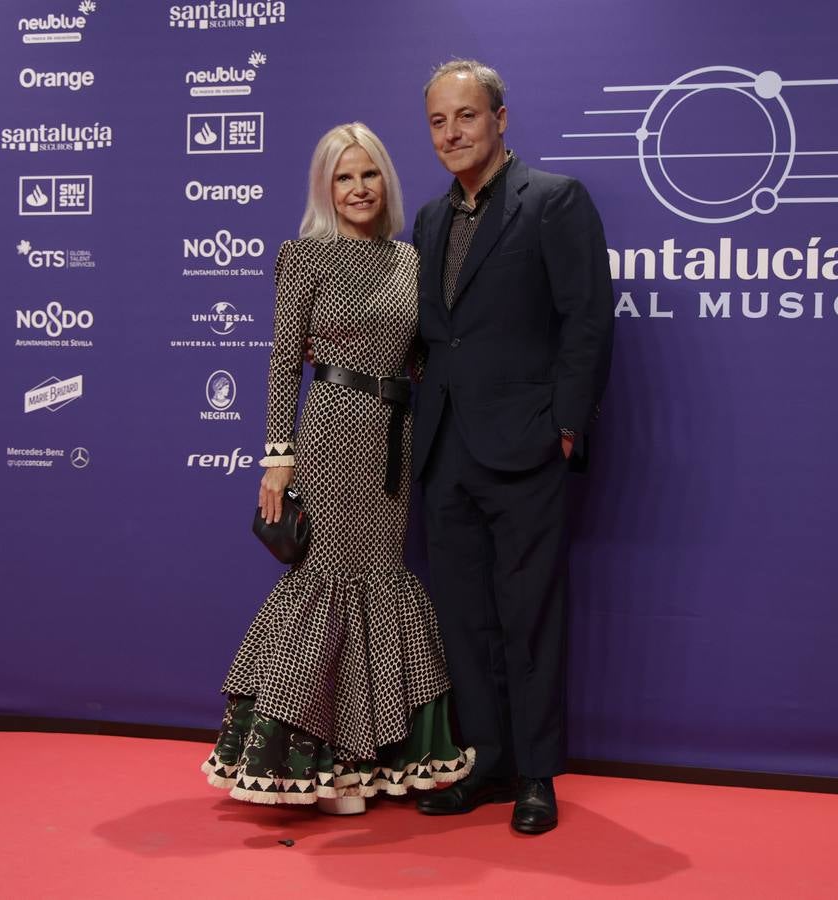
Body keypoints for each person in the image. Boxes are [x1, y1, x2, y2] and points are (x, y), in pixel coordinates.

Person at [201, 123, 473, 815]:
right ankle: (318, 764)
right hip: (328, 431)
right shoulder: (305, 257)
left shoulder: (409, 261)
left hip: (393, 437)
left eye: (369, 175)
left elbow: (421, 359)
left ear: (386, 181)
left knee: (380, 577)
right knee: (326, 580)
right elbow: (281, 360)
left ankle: (363, 762)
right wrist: (276, 457)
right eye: (343, 177)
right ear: (326, 188)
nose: (357, 189)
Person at [410, 60, 615, 834]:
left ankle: (535, 775)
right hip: (444, 450)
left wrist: (563, 424)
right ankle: (486, 763)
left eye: (465, 116)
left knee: (528, 615)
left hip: (526, 446)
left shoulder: (554, 201)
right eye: (437, 121)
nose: (451, 133)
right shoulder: (429, 222)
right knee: (463, 620)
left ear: (500, 118)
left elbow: (586, 321)